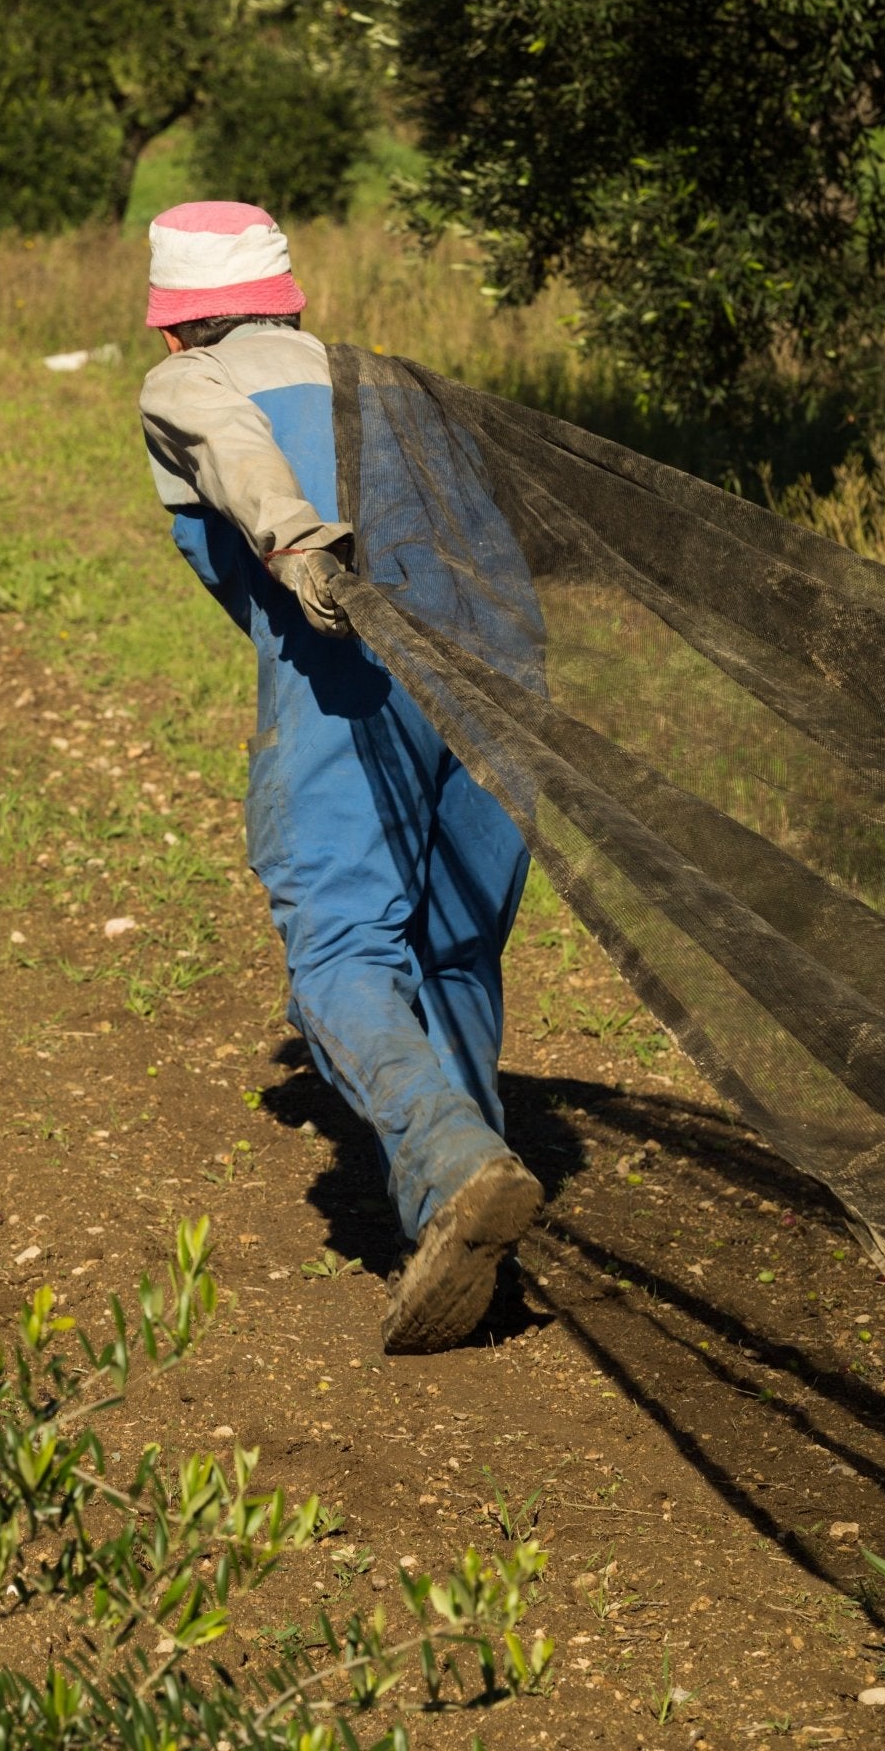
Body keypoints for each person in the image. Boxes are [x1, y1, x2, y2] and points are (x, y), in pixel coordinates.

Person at [138, 201, 543, 1353]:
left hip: (350, 666)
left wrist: (292, 537)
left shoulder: (187, 384)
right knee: (454, 945)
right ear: (291, 301)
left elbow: (229, 440)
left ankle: (453, 1156)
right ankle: (465, 1221)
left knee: (338, 954)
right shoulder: (385, 386)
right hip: (501, 673)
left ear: (178, 330)